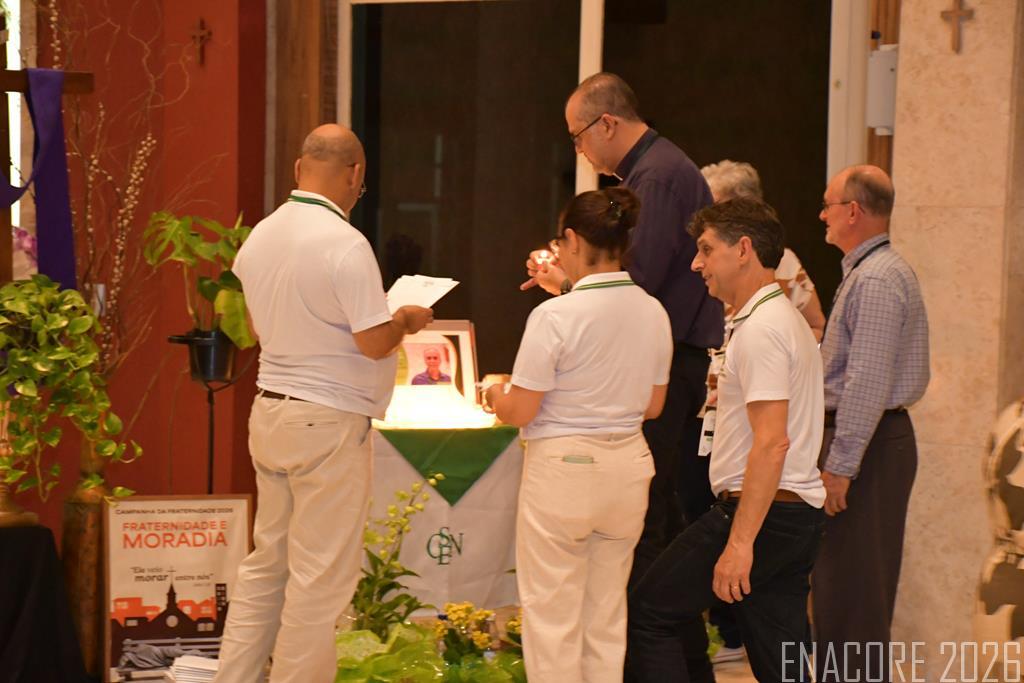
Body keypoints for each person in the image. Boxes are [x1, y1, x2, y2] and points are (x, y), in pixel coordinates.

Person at [214, 124, 433, 683]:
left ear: (298, 169)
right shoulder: (345, 243)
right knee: (320, 579)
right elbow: (373, 342)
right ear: (356, 175)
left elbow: (257, 325)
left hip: (270, 409)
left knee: (267, 566)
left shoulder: (261, 235)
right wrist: (405, 320)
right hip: (327, 419)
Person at [522, 75, 722, 675]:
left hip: (659, 374)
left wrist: (568, 288)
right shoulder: (658, 169)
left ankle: (664, 664)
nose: (579, 151)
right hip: (657, 385)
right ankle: (673, 662)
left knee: (645, 543)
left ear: (606, 122)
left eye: (578, 135)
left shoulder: (656, 176)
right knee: (637, 549)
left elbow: (637, 287)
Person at [626, 198, 826, 683]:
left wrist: (739, 543)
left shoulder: (763, 329)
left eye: (706, 249)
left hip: (763, 513)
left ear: (742, 249)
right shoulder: (778, 319)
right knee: (780, 663)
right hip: (791, 513)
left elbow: (772, 443)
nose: (696, 264)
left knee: (650, 611)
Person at [487, 187, 672, 683]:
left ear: (571, 240)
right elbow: (653, 405)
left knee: (553, 618)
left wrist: (494, 392)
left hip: (564, 470)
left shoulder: (553, 316)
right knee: (606, 616)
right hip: (628, 467)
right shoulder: (653, 310)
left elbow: (521, 409)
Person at [811, 165, 929, 683]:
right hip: (871, 442)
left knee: (853, 596)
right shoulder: (869, 271)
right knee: (842, 591)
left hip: (869, 445)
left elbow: (867, 380)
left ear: (853, 211)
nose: (822, 215)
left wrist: (841, 466)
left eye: (828, 205)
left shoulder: (877, 278)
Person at [700, 160, 826, 341]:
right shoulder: (700, 262)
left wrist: (778, 349)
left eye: (716, 208)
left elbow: (815, 327)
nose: (706, 217)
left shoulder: (783, 262)